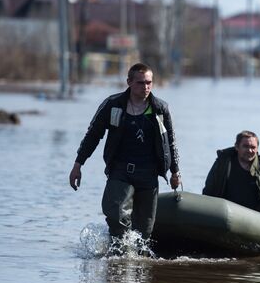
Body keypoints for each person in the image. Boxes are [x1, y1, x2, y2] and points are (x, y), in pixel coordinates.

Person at [69, 62, 181, 245]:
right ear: (129, 82)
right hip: (120, 170)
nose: (145, 87)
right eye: (140, 83)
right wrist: (78, 164)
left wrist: (176, 172)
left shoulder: (160, 109)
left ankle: (135, 265)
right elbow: (93, 135)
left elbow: (172, 142)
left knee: (144, 231)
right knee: (116, 217)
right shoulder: (113, 105)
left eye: (149, 83)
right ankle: (117, 256)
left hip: (149, 174)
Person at [203, 130, 260, 214]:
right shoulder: (223, 164)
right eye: (245, 146)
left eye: (253, 147)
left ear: (257, 149)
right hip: (226, 214)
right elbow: (208, 191)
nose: (250, 150)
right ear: (237, 147)